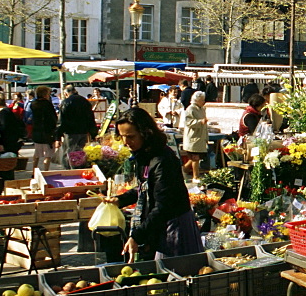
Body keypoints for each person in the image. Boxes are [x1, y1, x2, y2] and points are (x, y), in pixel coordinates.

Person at [111, 108, 202, 261]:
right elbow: (146, 186)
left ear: (145, 133)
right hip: (162, 223)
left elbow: (163, 205)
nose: (126, 142)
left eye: (131, 136)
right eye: (122, 137)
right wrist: (121, 199)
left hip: (175, 226)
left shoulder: (162, 160)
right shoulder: (144, 155)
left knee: (178, 274)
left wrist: (136, 236)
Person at [55, 83, 98, 165]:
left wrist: (58, 136)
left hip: (70, 132)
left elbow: (61, 121)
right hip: (83, 132)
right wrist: (93, 134)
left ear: (66, 93)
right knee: (81, 153)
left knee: (69, 154)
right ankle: (79, 169)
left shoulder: (65, 102)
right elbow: (90, 118)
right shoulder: (85, 102)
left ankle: (69, 172)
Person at [0, 93, 22, 181]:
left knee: (3, 169)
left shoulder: (3, 114)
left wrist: (1, 144)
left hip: (4, 145)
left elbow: (4, 130)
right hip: (5, 144)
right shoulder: (6, 112)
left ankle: (5, 187)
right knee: (4, 169)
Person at [29, 85, 58, 171]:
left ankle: (34, 170)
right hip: (47, 132)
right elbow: (53, 118)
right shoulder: (47, 104)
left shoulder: (33, 104)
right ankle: (46, 171)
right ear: (45, 94)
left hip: (36, 131)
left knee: (37, 153)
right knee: (47, 154)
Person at [181, 91, 208, 182]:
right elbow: (188, 122)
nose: (203, 101)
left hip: (200, 136)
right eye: (202, 100)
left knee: (196, 157)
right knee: (195, 157)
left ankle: (184, 169)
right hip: (193, 136)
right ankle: (195, 177)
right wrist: (200, 122)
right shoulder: (190, 109)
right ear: (196, 100)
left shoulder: (202, 109)